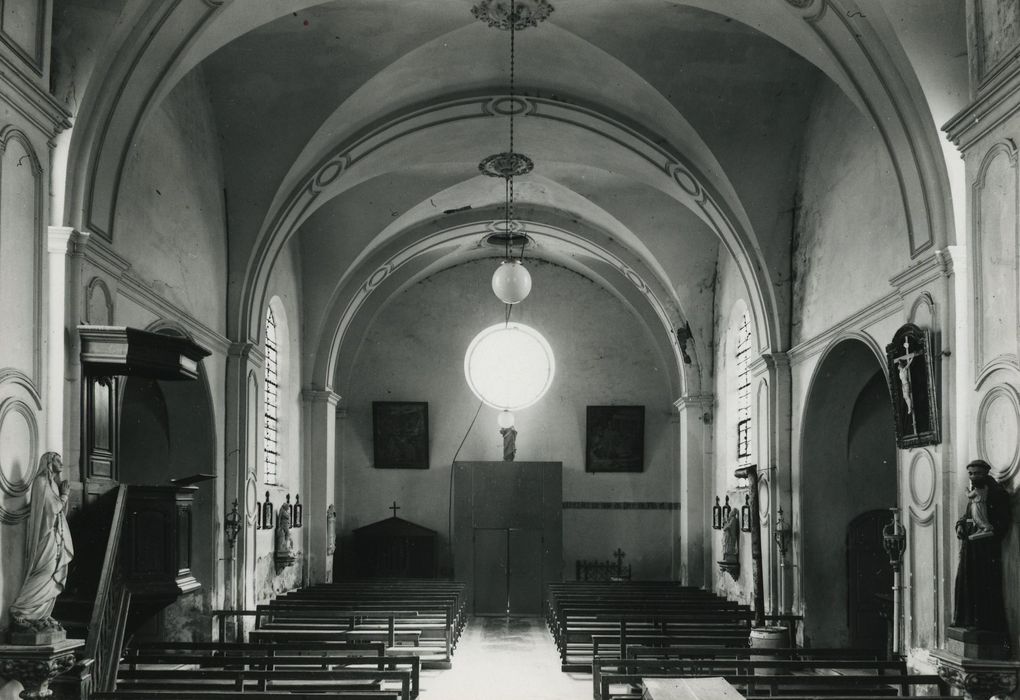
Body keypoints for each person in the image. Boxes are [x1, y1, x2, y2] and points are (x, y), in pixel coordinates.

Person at [8, 452, 74, 633]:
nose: (61, 463)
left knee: (52, 573)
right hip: (47, 537)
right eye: (57, 460)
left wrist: (62, 494)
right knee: (44, 572)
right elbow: (52, 509)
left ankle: (40, 613)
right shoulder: (41, 482)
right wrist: (65, 495)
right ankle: (21, 609)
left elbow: (60, 512)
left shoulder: (52, 483)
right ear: (48, 463)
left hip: (56, 535)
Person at [952, 459, 1010, 638]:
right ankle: (964, 618)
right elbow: (968, 514)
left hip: (985, 549)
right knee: (964, 580)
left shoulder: (996, 494)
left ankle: (981, 621)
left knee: (982, 584)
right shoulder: (976, 492)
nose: (973, 477)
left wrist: (989, 534)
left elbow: (1002, 521)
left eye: (977, 473)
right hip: (970, 545)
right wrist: (960, 525)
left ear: (986, 474)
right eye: (970, 473)